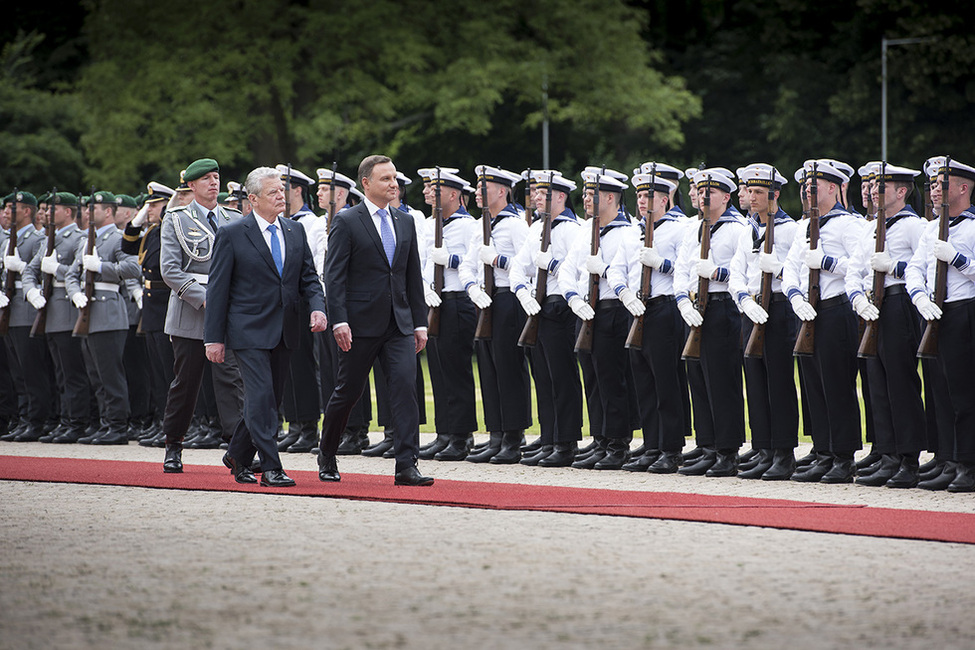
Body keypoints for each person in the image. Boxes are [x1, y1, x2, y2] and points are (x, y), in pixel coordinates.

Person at [204, 166, 327, 487]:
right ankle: (271, 466)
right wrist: (213, 338)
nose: (280, 196)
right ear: (253, 199)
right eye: (273, 192)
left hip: (286, 328)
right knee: (260, 396)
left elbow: (309, 278)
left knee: (269, 400)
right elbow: (217, 290)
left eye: (282, 190)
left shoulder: (294, 231)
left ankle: (237, 455)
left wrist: (317, 308)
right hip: (248, 330)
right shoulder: (232, 233)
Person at [318, 154, 433, 486]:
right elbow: (334, 276)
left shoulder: (405, 221)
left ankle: (406, 464)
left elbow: (412, 277)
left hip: (398, 324)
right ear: (366, 183)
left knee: (404, 388)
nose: (393, 184)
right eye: (385, 179)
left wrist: (419, 322)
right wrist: (339, 320)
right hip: (358, 325)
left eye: (395, 178)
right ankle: (327, 451)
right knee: (348, 391)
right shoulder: (346, 220)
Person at [158, 158, 246, 472]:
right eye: (206, 179)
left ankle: (238, 450)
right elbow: (169, 270)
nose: (214, 183)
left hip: (227, 313)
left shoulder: (233, 217)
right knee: (186, 383)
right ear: (192, 186)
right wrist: (207, 298)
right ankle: (174, 443)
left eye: (216, 177)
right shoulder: (177, 218)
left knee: (231, 382)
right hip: (192, 311)